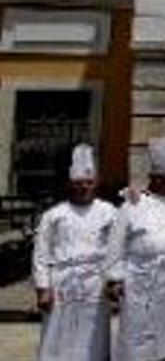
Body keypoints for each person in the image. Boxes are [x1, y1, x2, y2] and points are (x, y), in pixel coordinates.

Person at [107, 138, 165, 361]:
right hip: (140, 280)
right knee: (139, 335)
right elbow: (115, 244)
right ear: (154, 178)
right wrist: (115, 279)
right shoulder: (133, 204)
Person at [32, 144, 117, 361]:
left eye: (89, 183)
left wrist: (115, 280)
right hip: (62, 284)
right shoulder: (54, 215)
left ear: (96, 183)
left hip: (95, 285)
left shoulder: (108, 212)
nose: (84, 187)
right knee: (58, 338)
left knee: (93, 340)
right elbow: (41, 253)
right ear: (70, 183)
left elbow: (118, 249)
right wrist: (43, 288)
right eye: (79, 183)